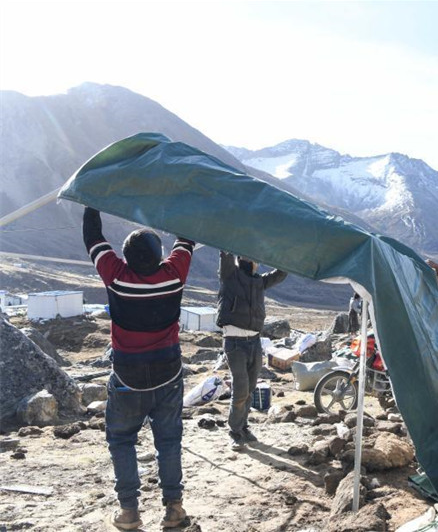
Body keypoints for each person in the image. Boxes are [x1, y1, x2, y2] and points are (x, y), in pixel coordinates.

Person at [83, 207, 194, 530]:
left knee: (121, 440)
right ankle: (174, 509)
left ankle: (129, 512)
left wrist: (92, 203)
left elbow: (93, 238)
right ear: (159, 256)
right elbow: (186, 238)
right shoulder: (173, 274)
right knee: (169, 441)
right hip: (168, 372)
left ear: (126, 257)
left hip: (128, 376)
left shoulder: (117, 276)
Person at [216, 252, 287, 451]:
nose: (257, 263)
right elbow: (226, 252)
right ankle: (234, 432)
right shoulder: (230, 275)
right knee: (240, 388)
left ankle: (243, 426)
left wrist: (287, 257)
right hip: (234, 343)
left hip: (254, 342)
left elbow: (280, 275)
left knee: (250, 387)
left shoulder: (259, 282)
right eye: (255, 259)